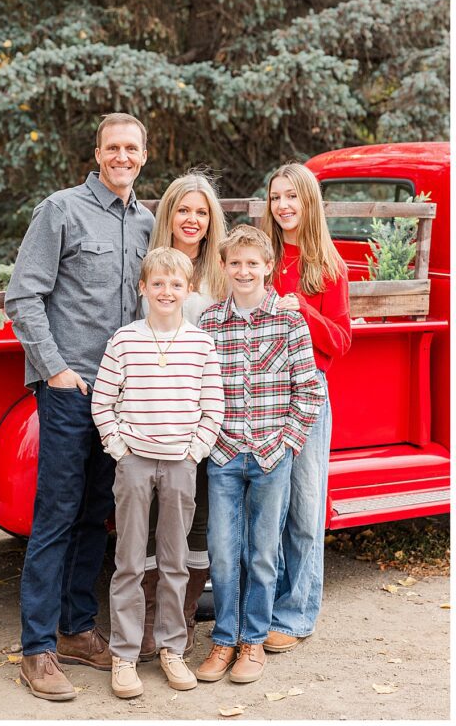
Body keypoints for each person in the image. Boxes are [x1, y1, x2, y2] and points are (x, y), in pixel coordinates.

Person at [4, 112, 154, 701]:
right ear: (97, 153)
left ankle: (75, 630)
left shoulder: (146, 221)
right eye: (112, 146)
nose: (122, 155)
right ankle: (36, 649)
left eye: (132, 148)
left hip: (123, 395)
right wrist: (57, 371)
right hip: (71, 389)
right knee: (57, 516)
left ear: (143, 155)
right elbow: (24, 294)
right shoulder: (61, 210)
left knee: (97, 514)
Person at [92, 247, 224, 697]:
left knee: (174, 561)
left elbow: (213, 407)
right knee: (129, 560)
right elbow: (103, 401)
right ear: (143, 288)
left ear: (188, 292)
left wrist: (194, 452)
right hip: (134, 464)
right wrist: (120, 449)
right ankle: (125, 655)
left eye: (176, 285)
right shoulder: (125, 340)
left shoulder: (201, 344)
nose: (166, 291)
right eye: (158, 284)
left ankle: (172, 648)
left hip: (180, 464)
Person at [196, 225, 324, 684]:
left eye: (254, 263)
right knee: (224, 552)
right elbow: (200, 388)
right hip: (225, 453)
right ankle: (223, 639)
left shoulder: (289, 323)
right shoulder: (210, 323)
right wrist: (210, 439)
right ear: (224, 268)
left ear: (269, 268)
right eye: (236, 263)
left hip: (272, 455)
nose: (244, 270)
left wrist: (288, 443)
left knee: (264, 552)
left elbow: (308, 390)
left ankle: (253, 640)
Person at [136, 171, 228, 662]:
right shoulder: (151, 266)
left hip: (203, 419)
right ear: (169, 213)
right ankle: (150, 620)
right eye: (183, 210)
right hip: (153, 417)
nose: (191, 220)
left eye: (201, 211)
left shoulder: (221, 273)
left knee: (196, 523)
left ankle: (184, 617)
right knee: (152, 522)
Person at [261, 162, 351, 652]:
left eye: (292, 196)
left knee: (304, 506)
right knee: (266, 508)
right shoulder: (261, 256)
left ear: (308, 202)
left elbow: (341, 341)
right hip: (259, 392)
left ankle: (295, 615)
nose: (284, 205)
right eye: (276, 197)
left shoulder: (326, 266)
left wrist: (304, 308)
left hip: (306, 392)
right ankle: (263, 608)